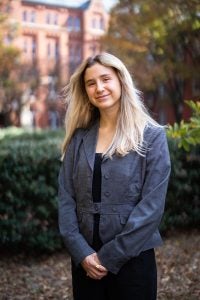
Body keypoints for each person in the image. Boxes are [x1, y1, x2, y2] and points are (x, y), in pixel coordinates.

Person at [58, 52, 171, 300]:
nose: (99, 87)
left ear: (120, 80)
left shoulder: (151, 136)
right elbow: (66, 198)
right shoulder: (79, 139)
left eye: (105, 79)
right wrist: (81, 253)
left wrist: (109, 257)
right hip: (85, 263)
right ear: (85, 91)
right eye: (91, 83)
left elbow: (152, 207)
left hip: (134, 262)